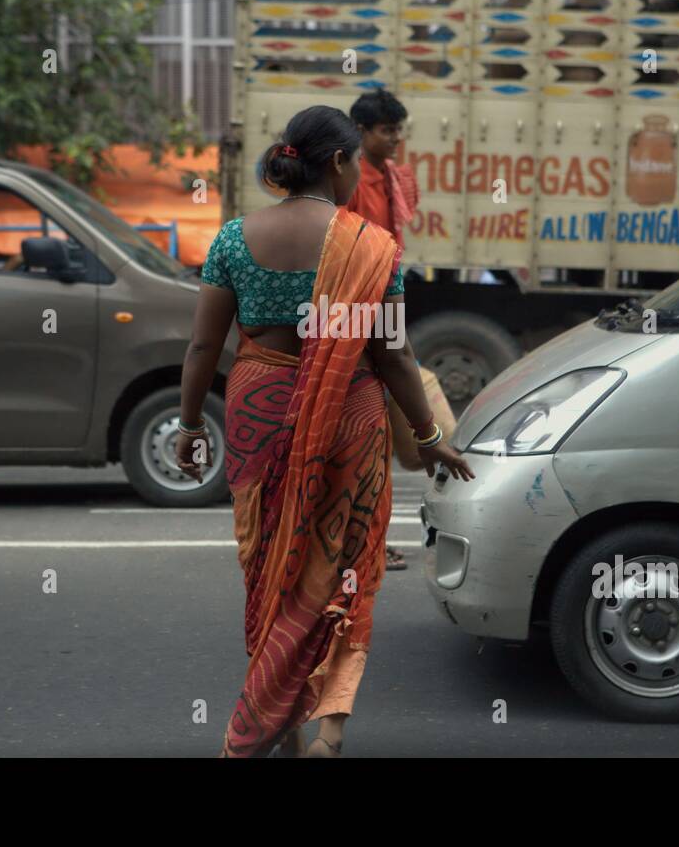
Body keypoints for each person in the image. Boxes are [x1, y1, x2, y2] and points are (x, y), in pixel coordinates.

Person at [176, 105, 473, 758]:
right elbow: (394, 354)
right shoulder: (373, 247)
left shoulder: (231, 239)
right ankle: (329, 730)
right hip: (351, 413)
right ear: (339, 162)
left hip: (258, 413)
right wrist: (427, 437)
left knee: (273, 564)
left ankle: (277, 721)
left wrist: (192, 424)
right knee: (349, 565)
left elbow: (203, 349)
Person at [345, 88, 419, 571]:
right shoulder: (350, 181)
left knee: (372, 438)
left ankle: (363, 542)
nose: (395, 137)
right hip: (360, 317)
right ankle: (363, 545)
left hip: (380, 310)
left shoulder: (395, 177)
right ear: (362, 132)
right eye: (386, 129)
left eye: (398, 128)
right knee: (365, 438)